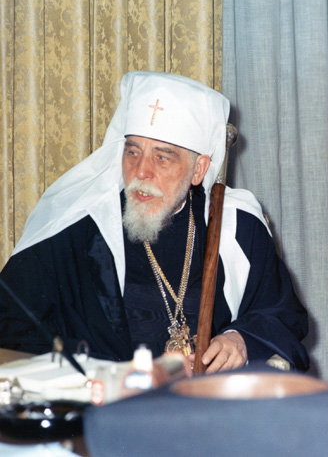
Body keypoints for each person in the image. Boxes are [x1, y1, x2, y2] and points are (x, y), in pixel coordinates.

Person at [0, 71, 309, 373]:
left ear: (199, 168)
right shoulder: (73, 227)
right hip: (104, 410)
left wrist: (241, 339)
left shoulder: (237, 227)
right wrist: (112, 374)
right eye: (133, 152)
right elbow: (11, 325)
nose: (141, 172)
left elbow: (282, 314)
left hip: (209, 411)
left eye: (162, 157)